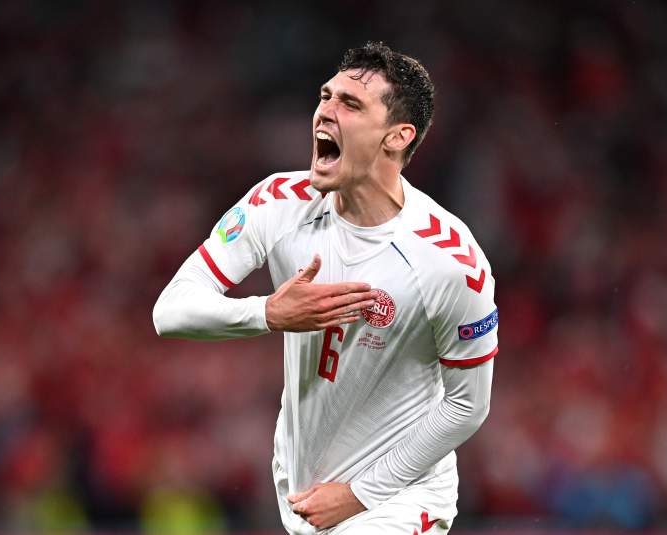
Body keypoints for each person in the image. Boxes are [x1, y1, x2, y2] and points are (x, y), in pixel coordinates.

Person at [153, 42, 498, 534]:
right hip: (302, 483)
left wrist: (360, 494)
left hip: (399, 497)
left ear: (398, 137)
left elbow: (468, 404)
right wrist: (268, 313)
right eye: (325, 96)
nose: (324, 113)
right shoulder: (278, 203)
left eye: (350, 104)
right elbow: (171, 310)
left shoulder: (450, 261)